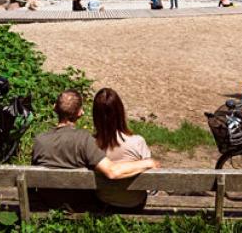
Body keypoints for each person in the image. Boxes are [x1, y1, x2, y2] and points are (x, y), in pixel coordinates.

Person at [31, 90, 159, 211]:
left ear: (54, 107)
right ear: (80, 113)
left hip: (46, 203)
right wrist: (148, 162)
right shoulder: (84, 140)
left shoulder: (39, 140)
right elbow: (112, 171)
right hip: (79, 206)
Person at [92, 88, 154, 210]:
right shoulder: (137, 142)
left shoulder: (90, 144)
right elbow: (151, 179)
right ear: (121, 112)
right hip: (134, 204)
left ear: (95, 115)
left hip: (102, 202)